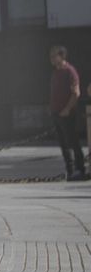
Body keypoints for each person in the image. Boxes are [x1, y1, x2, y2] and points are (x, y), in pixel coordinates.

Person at [49, 46, 85, 181]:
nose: (51, 59)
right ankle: (69, 171)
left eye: (54, 56)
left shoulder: (70, 71)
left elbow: (76, 93)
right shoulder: (55, 73)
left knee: (73, 142)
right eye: (50, 56)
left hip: (66, 114)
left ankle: (80, 169)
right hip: (56, 113)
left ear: (62, 56)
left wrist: (67, 109)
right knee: (63, 145)